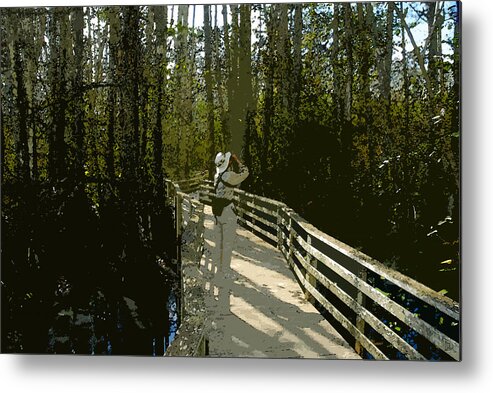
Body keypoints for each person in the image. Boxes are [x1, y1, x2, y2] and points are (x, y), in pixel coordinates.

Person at [212, 151, 249, 280]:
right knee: (227, 243)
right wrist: (238, 162)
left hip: (217, 212)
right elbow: (245, 174)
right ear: (228, 163)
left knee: (219, 243)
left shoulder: (217, 176)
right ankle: (225, 272)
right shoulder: (229, 175)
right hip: (227, 211)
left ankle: (218, 271)